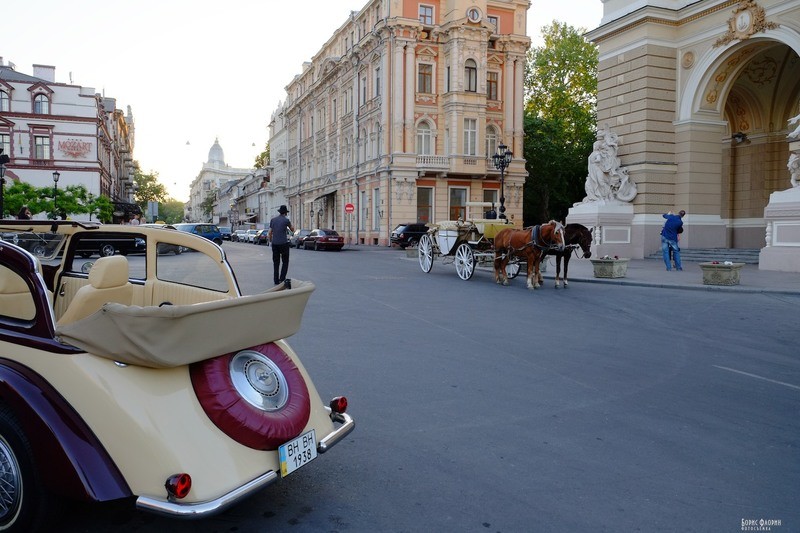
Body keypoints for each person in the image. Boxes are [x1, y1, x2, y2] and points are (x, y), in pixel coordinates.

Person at [267, 205, 295, 285]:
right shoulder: (286, 220)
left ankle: (276, 280)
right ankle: (282, 279)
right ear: (285, 213)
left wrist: (271, 242)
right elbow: (292, 229)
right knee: (285, 261)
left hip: (275, 244)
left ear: (279, 212)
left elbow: (270, 233)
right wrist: (288, 226)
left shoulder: (273, 220)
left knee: (276, 262)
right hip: (283, 243)